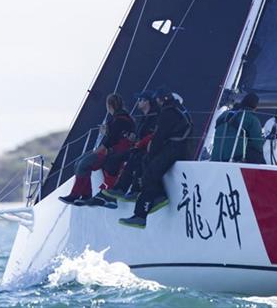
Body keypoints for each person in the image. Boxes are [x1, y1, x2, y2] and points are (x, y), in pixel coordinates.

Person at [119, 88, 192, 229]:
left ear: (162, 99)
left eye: (157, 99)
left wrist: (151, 154)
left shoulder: (167, 112)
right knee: (149, 167)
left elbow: (159, 136)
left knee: (149, 173)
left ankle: (141, 215)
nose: (156, 102)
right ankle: (159, 196)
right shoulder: (179, 110)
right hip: (182, 148)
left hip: (175, 148)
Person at [58, 94, 134, 206]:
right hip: (112, 150)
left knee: (83, 164)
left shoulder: (119, 120)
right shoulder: (124, 119)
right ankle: (85, 195)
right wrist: (107, 132)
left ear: (109, 106)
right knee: (78, 162)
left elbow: (112, 139)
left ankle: (77, 195)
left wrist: (100, 146)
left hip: (111, 151)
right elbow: (117, 135)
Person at [98, 90, 161, 207]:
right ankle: (116, 191)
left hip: (148, 149)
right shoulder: (144, 118)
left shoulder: (154, 117)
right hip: (138, 147)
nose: (138, 102)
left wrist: (138, 142)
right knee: (117, 158)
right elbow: (137, 135)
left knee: (127, 158)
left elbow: (153, 135)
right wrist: (133, 138)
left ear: (147, 102)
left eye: (140, 99)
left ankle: (122, 191)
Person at [210, 92, 264, 164]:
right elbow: (258, 145)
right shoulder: (252, 119)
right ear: (256, 106)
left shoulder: (223, 115)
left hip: (215, 158)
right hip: (235, 159)